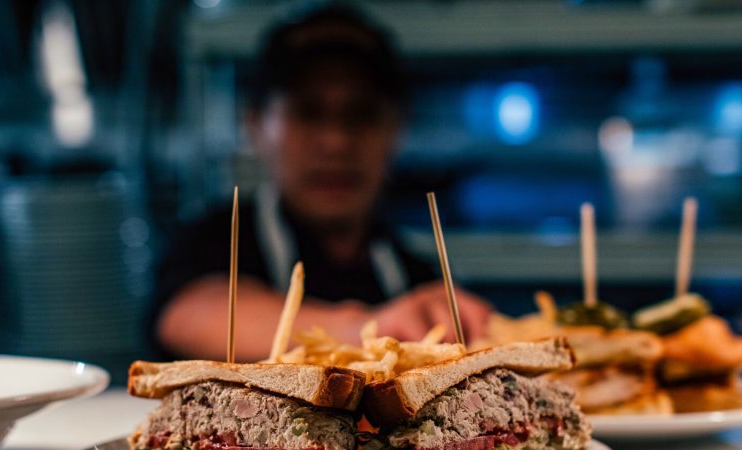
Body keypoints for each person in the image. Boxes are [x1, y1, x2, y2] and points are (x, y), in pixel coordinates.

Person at [152, 3, 491, 361]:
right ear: (256, 125)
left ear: (395, 130)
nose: (336, 141)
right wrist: (370, 330)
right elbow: (187, 317)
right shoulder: (216, 242)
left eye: (360, 114)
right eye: (308, 112)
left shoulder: (415, 276)